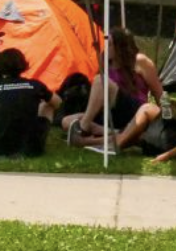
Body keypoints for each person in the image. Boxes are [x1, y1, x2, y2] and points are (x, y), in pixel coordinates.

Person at [63, 27, 165, 155]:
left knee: (101, 81)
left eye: (110, 44)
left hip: (134, 110)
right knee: (67, 121)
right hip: (112, 113)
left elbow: (159, 93)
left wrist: (164, 121)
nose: (106, 47)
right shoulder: (105, 61)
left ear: (120, 45)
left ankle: (83, 133)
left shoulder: (140, 61)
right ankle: (115, 134)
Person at [0, 49, 60, 157]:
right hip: (31, 148)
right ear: (23, 64)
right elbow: (57, 103)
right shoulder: (35, 85)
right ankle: (37, 138)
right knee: (47, 105)